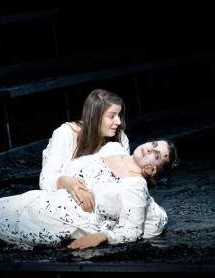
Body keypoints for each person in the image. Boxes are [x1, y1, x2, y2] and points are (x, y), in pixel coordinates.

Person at [0, 139, 179, 250]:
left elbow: (131, 230)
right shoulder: (113, 148)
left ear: (152, 169)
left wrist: (103, 236)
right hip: (62, 198)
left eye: (156, 155)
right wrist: (69, 182)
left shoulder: (134, 187)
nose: (149, 150)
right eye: (153, 145)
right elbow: (75, 168)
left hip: (78, 216)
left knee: (6, 230)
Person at [39, 88, 169, 239]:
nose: (118, 122)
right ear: (95, 117)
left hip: (101, 212)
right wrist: (68, 182)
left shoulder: (119, 138)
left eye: (119, 115)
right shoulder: (65, 134)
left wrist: (147, 179)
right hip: (67, 203)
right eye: (112, 116)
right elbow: (45, 179)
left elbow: (125, 187)